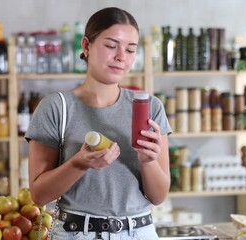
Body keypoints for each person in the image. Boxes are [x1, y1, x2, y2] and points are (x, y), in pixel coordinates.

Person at [25, 7, 172, 240]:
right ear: (86, 46)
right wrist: (79, 164)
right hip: (76, 233)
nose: (121, 56)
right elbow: (39, 195)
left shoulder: (149, 107)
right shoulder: (56, 107)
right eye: (111, 46)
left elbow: (159, 196)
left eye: (130, 50)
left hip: (140, 232)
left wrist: (148, 161)